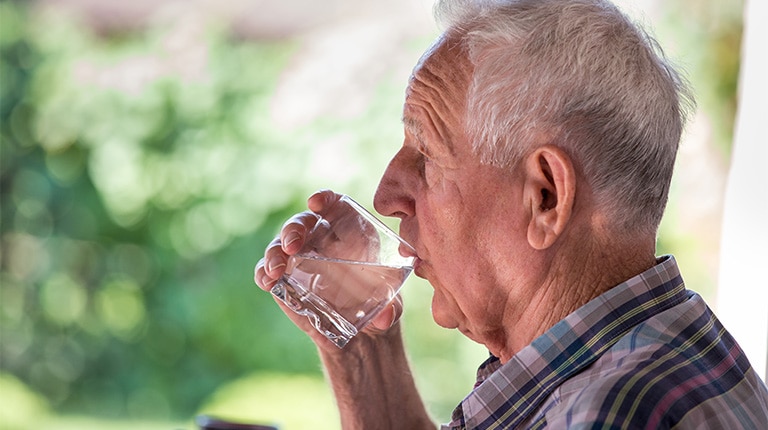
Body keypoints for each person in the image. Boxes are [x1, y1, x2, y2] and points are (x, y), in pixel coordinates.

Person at [255, 0, 768, 428]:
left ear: (545, 197)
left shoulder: (608, 413)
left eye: (427, 155)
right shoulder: (656, 348)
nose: (386, 195)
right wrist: (363, 351)